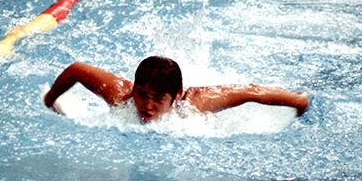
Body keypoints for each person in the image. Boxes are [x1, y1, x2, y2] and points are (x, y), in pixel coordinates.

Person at [44, 56, 309, 122]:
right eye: (142, 94)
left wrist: (299, 102)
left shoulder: (194, 103)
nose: (147, 105)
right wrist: (50, 100)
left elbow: (250, 91)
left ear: (176, 96)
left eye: (158, 99)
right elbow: (76, 69)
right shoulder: (122, 95)